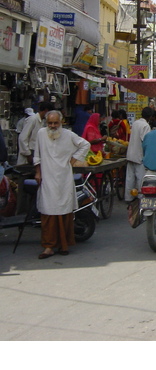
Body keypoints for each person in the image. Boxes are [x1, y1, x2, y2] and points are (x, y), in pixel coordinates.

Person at [34, 110, 91, 259]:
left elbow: (85, 144)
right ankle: (48, 247)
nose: (52, 126)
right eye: (50, 123)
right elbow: (37, 155)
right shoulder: (41, 133)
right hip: (47, 177)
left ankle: (64, 245)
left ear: (61, 122)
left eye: (55, 123)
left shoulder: (68, 134)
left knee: (64, 211)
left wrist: (73, 160)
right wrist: (38, 172)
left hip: (64, 178)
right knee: (48, 211)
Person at [125, 107, 153, 201]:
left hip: (131, 154)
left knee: (130, 178)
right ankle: (141, 198)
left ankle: (129, 198)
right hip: (139, 156)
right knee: (140, 179)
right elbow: (146, 141)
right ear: (150, 117)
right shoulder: (145, 126)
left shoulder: (136, 123)